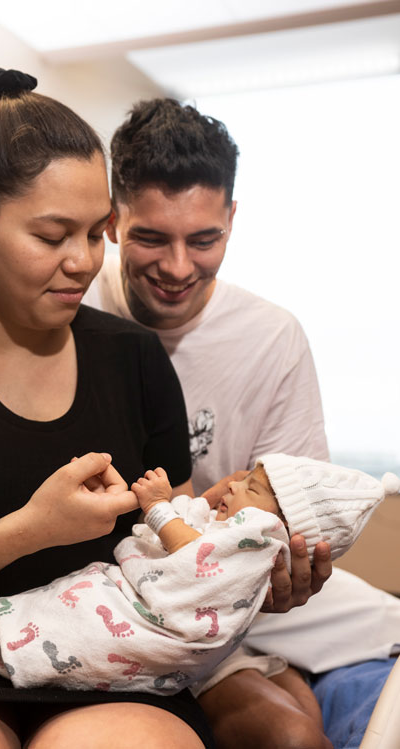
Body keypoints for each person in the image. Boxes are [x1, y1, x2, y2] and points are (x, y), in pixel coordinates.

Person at [0, 67, 216, 749]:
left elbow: (181, 544)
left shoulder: (133, 359)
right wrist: (27, 530)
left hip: (113, 655)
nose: (82, 261)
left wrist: (246, 564)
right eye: (52, 236)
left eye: (97, 232)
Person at [84, 97, 400, 748]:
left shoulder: (272, 338)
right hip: (118, 580)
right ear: (112, 222)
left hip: (238, 584)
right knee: (284, 727)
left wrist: (288, 568)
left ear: (233, 218)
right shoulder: (71, 310)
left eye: (204, 238)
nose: (178, 267)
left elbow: (292, 519)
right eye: (151, 237)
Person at [0, 456, 398, 698]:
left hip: (155, 625)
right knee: (78, 603)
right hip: (146, 601)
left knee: (88, 618)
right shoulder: (242, 532)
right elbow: (202, 545)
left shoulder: (262, 536)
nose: (234, 487)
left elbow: (196, 558)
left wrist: (160, 507)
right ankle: (23, 639)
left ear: (283, 524)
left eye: (251, 489)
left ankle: (23, 646)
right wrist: (191, 510)